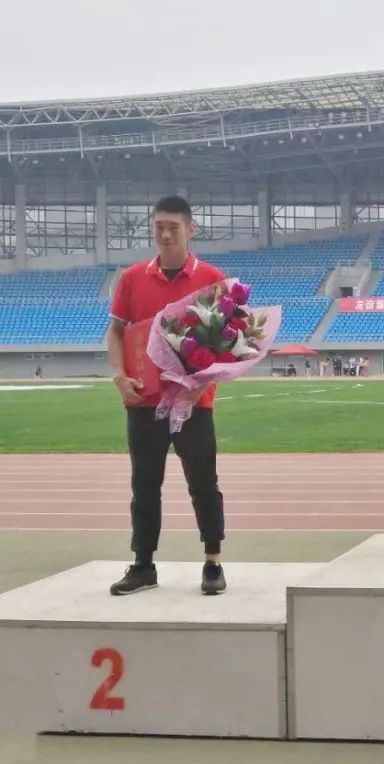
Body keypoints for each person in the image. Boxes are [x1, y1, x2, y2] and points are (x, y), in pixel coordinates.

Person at [106, 195, 228, 596]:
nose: (165, 234)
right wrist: (119, 374)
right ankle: (143, 565)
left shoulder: (211, 278)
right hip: (144, 399)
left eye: (173, 227)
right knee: (144, 484)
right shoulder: (132, 278)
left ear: (191, 229)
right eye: (159, 226)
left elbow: (224, 343)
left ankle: (212, 562)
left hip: (194, 402)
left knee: (203, 482)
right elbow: (116, 331)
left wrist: (198, 388)